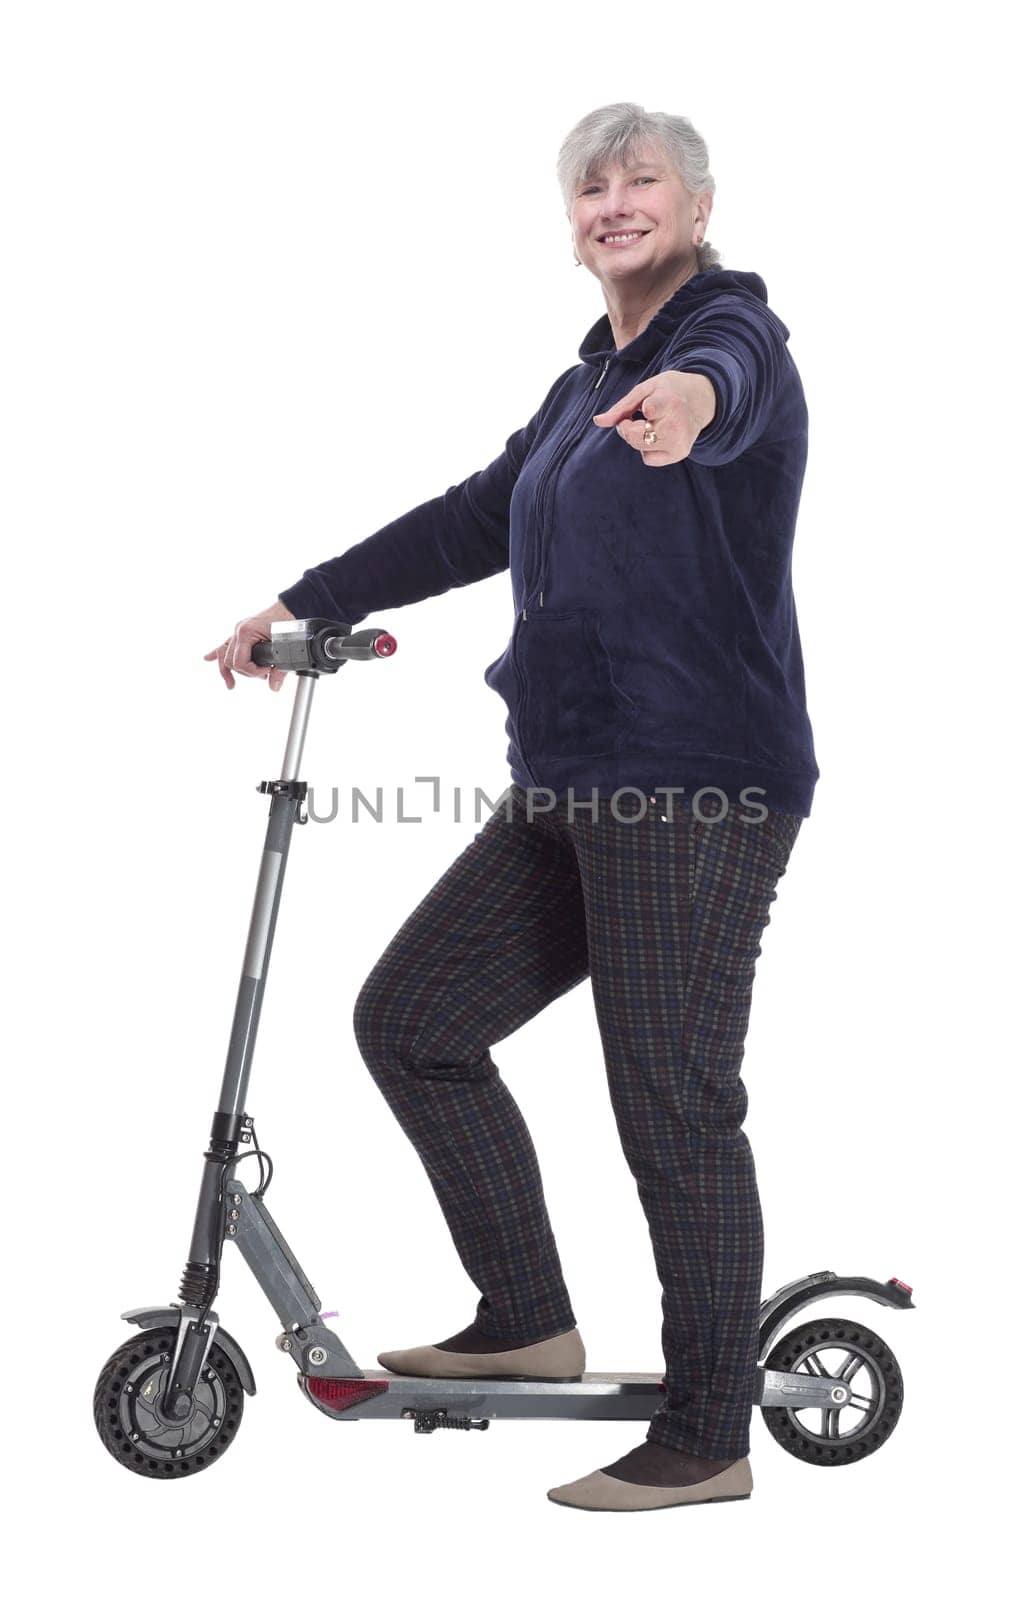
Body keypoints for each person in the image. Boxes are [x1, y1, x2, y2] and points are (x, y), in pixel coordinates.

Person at [205, 101, 818, 1513]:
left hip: (695, 783)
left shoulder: (733, 340)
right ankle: (530, 1319)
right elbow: (472, 517)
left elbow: (728, 374)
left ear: (698, 206)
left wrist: (691, 403)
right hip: (570, 782)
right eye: (591, 187)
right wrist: (306, 601)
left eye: (641, 180)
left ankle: (710, 1432)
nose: (614, 202)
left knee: (670, 1097)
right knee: (414, 1023)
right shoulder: (575, 392)